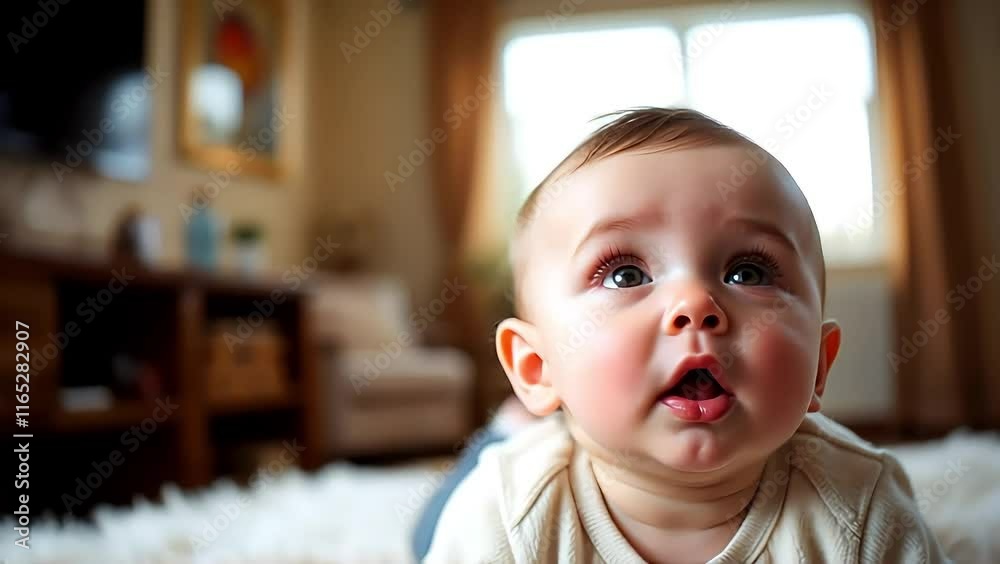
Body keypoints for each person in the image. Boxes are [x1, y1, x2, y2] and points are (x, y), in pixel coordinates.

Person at [420, 108, 951, 563]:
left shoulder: (862, 509)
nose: (696, 304)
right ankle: (508, 427)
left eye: (748, 272)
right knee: (427, 530)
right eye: (626, 274)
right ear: (538, 369)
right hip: (516, 460)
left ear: (818, 365)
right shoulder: (501, 517)